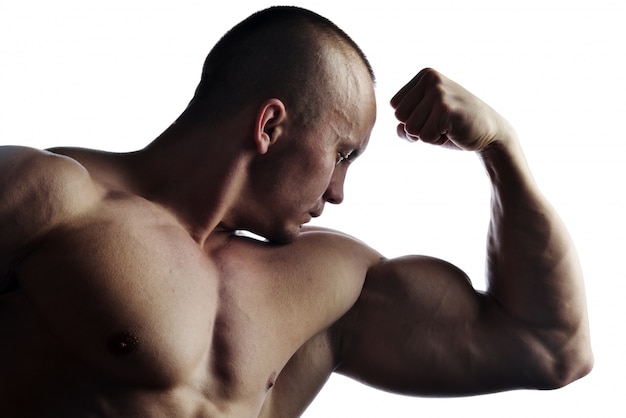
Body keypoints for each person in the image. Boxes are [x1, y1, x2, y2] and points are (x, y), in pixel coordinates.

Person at [0, 5, 592, 418]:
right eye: (342, 155)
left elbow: (549, 347)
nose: (338, 193)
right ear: (271, 125)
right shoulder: (57, 199)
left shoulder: (328, 284)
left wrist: (501, 150)